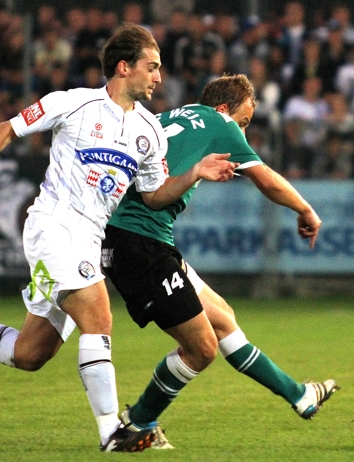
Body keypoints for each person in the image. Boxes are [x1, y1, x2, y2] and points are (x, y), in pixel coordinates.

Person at [0, 24, 237, 453]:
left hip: (89, 238)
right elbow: (9, 126)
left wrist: (194, 174)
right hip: (53, 225)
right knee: (98, 314)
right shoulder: (72, 104)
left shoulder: (150, 131)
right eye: (152, 67)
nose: (159, 78)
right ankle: (112, 431)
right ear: (124, 67)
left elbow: (152, 196)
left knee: (30, 353)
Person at [101, 75, 338, 448]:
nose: (241, 132)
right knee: (202, 349)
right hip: (140, 244)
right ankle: (135, 424)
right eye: (244, 121)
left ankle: (299, 395)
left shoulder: (166, 118)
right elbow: (267, 179)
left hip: (135, 239)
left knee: (223, 318)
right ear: (225, 109)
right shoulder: (220, 122)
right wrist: (306, 209)